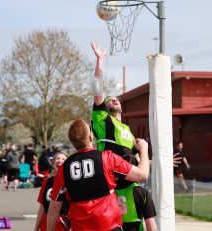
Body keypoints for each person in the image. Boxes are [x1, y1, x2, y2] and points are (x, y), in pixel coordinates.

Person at [91, 42, 157, 231]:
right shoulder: (102, 119)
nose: (113, 98)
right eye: (109, 98)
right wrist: (99, 61)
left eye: (116, 98)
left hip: (127, 181)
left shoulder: (128, 131)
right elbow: (97, 89)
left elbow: (135, 160)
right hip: (110, 174)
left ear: (121, 106)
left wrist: (160, 161)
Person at [47, 119, 150, 231]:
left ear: (72, 142)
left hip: (81, 227)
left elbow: (54, 207)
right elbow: (142, 174)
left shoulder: (64, 168)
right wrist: (144, 149)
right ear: (91, 137)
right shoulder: (106, 158)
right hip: (109, 225)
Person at [34, 151, 70, 231]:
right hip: (46, 222)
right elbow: (42, 207)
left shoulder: (70, 181)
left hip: (62, 223)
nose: (60, 161)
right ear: (53, 163)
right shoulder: (47, 181)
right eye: (57, 158)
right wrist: (36, 228)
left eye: (63, 159)